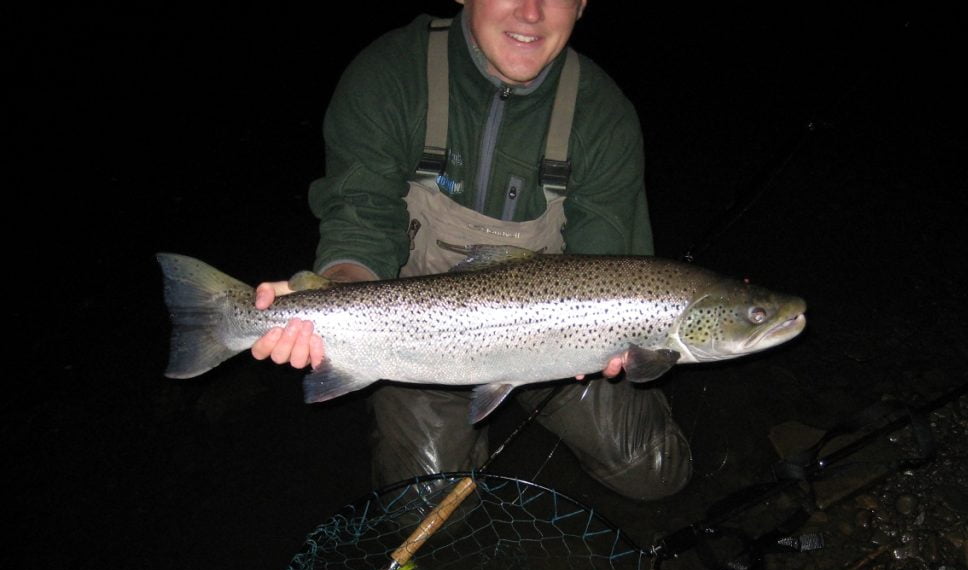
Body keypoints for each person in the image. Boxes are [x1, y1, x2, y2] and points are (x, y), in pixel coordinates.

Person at [251, 0, 691, 500]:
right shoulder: (391, 74)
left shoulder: (603, 114)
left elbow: (610, 263)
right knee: (424, 508)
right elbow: (360, 215)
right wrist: (333, 298)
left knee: (654, 472)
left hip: (565, 343)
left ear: (583, 4)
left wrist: (622, 353)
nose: (532, 12)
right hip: (417, 340)